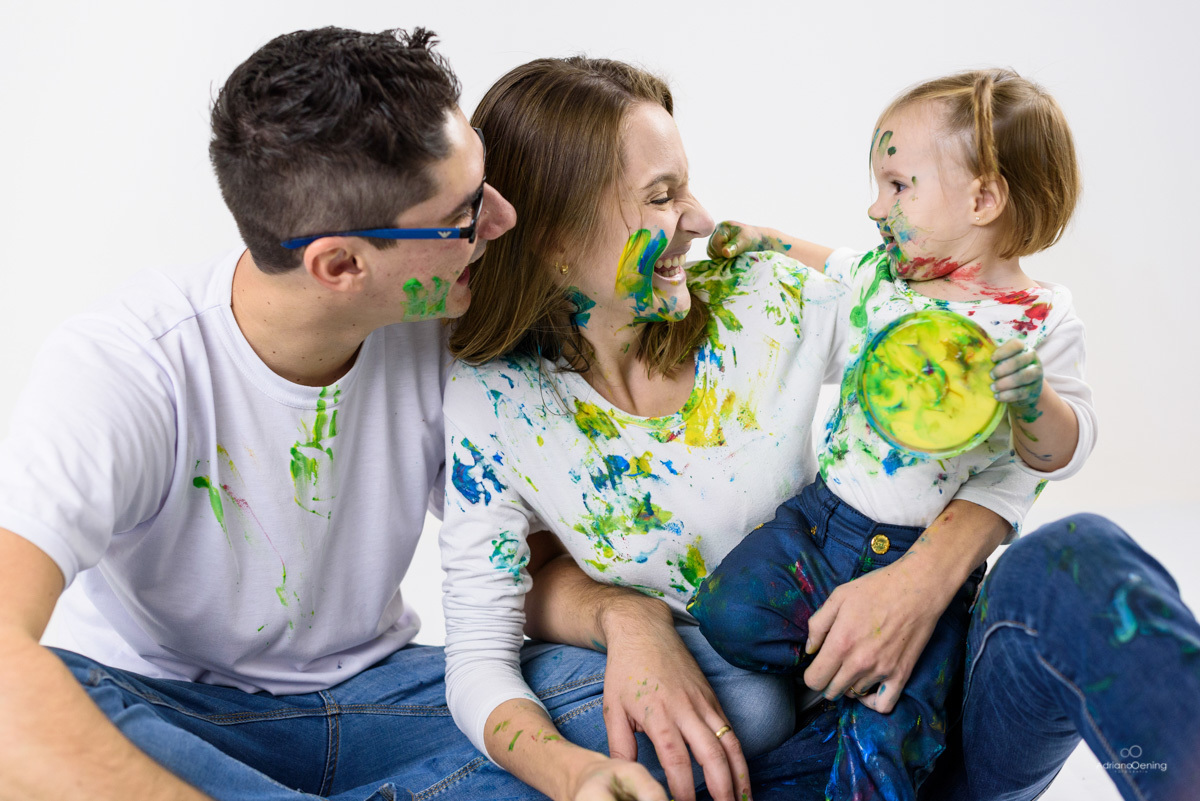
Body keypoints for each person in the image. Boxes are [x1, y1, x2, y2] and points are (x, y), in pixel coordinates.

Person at [440, 57, 1200, 801]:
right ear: (555, 237)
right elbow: (480, 652)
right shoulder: (495, 404)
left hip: (938, 700)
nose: (702, 220)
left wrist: (922, 580)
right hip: (770, 767)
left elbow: (982, 388)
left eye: (688, 185)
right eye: (663, 196)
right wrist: (618, 637)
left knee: (1081, 555)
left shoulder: (759, 302)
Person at [0, 26, 633, 801]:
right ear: (340, 265)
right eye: (464, 215)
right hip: (172, 710)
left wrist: (621, 620)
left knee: (683, 698)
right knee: (52, 700)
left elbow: (513, 567)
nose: (501, 221)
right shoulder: (128, 366)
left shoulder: (449, 333)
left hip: (383, 699)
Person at [686, 69, 1097, 800]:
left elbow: (1060, 452)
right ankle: (848, 668)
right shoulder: (885, 279)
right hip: (822, 523)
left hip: (926, 565)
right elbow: (826, 263)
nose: (877, 206)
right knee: (727, 608)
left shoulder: (1039, 322)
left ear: (983, 197)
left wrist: (1033, 401)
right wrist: (761, 239)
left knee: (888, 737)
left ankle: (879, 704)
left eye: (897, 184)